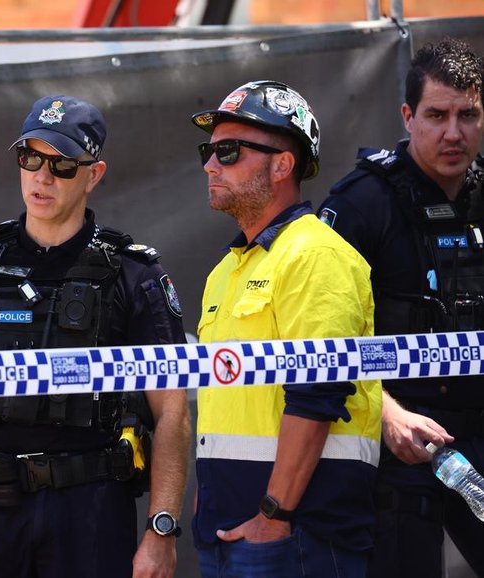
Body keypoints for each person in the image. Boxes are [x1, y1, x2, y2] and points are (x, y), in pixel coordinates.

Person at [0, 95, 190, 578]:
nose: (42, 176)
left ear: (93, 175)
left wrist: (161, 530)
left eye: (60, 164)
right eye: (30, 158)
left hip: (90, 512)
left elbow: (173, 411)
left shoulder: (133, 274)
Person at [191, 80, 382, 577]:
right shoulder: (225, 271)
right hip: (230, 531)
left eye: (228, 151)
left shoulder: (317, 254)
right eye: (208, 152)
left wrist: (274, 516)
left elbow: (317, 394)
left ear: (282, 165)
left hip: (297, 536)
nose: (211, 165)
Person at [318, 37, 484, 578]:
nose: (453, 133)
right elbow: (323, 341)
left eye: (469, 115)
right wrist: (386, 413)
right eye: (437, 115)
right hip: (394, 443)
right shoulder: (361, 203)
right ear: (408, 116)